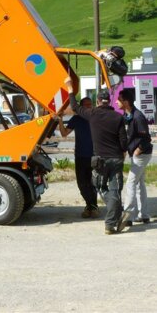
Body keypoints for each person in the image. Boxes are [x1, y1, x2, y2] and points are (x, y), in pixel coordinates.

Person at [64, 77, 127, 235]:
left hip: (100, 160)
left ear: (98, 101)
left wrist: (70, 88)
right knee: (115, 189)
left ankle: (111, 216)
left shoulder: (92, 115)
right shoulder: (118, 117)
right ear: (109, 102)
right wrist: (122, 155)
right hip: (117, 158)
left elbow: (74, 106)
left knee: (100, 187)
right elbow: (123, 142)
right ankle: (113, 219)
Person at [116, 89, 153, 230]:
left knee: (130, 183)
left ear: (125, 102)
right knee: (139, 183)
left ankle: (128, 217)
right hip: (137, 154)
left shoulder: (138, 117)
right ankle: (144, 215)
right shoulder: (128, 115)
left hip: (142, 154)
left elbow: (146, 139)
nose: (116, 102)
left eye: (118, 100)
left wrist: (138, 150)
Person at [57, 97, 99, 218]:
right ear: (81, 107)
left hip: (94, 156)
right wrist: (60, 119)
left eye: (90, 105)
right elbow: (64, 133)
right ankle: (90, 206)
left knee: (92, 183)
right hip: (80, 156)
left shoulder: (95, 118)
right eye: (86, 105)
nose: (88, 107)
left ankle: (92, 207)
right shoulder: (76, 119)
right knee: (82, 183)